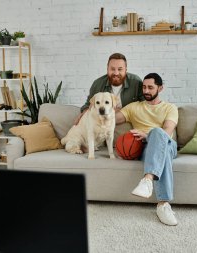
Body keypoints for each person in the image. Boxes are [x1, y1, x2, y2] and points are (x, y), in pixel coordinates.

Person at [115, 73, 179, 226]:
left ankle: (147, 180)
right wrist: (108, 106)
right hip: (144, 149)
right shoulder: (133, 107)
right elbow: (112, 119)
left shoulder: (170, 108)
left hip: (168, 145)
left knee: (157, 133)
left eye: (150, 87)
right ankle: (163, 205)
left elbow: (167, 131)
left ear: (160, 88)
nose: (146, 91)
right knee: (161, 155)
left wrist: (148, 135)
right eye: (144, 87)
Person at [74, 53, 144, 125]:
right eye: (112, 69)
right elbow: (88, 105)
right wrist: (84, 114)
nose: (116, 73)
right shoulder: (98, 84)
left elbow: (145, 105)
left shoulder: (136, 82)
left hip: (128, 122)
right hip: (103, 123)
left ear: (126, 69)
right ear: (107, 69)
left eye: (120, 69)